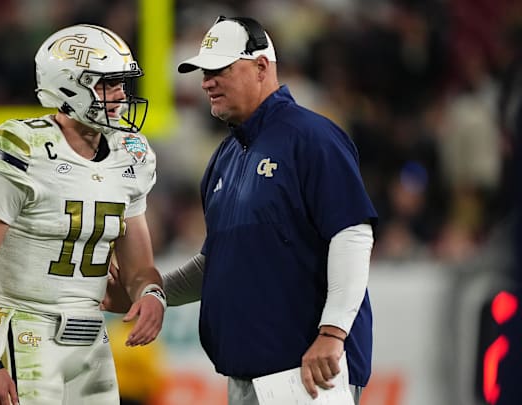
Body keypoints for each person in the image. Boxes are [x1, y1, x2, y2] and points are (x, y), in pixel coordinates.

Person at [105, 16, 377, 405]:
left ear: (262, 67)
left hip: (308, 369)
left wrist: (332, 334)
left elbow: (352, 234)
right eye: (204, 72)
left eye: (220, 69)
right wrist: (150, 294)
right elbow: (216, 263)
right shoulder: (225, 157)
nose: (206, 82)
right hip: (245, 372)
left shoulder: (312, 137)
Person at [0, 24, 167, 405]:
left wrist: (151, 294)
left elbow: (138, 268)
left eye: (121, 84)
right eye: (108, 84)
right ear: (68, 85)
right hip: (27, 330)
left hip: (92, 338)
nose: (119, 96)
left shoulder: (129, 155)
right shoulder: (27, 149)